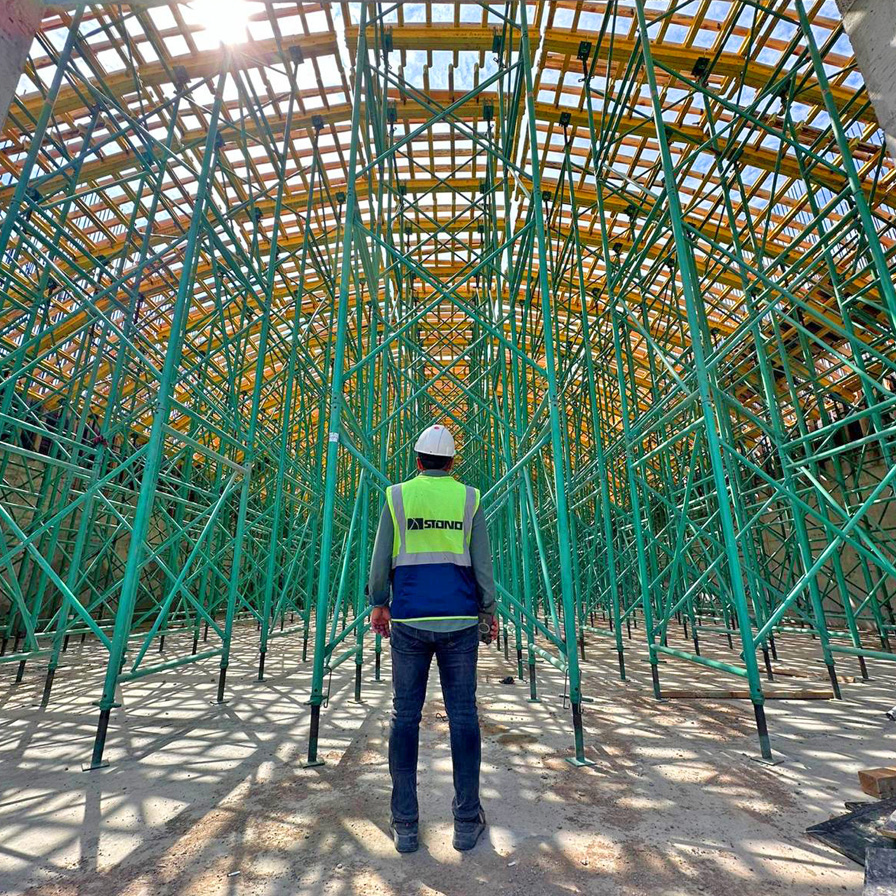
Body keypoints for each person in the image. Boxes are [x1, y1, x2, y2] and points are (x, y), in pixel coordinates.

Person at [367, 423, 498, 854]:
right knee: (463, 717)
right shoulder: (469, 498)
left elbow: (381, 556)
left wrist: (379, 601)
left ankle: (405, 824)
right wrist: (488, 610)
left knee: (405, 717)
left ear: (418, 460)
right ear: (452, 463)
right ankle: (465, 821)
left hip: (408, 619)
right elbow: (482, 563)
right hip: (460, 621)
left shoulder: (397, 496)